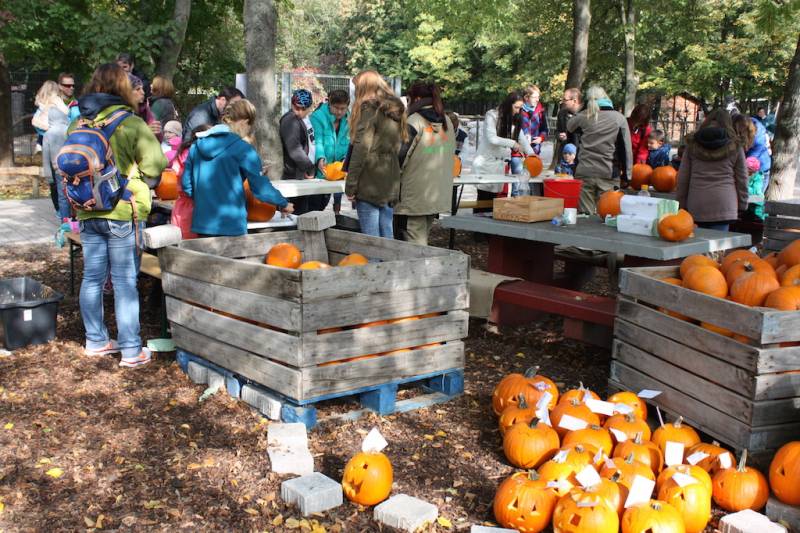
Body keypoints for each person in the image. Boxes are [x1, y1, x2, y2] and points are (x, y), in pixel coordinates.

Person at [74, 63, 167, 367]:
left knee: (92, 278)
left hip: (87, 211)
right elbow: (156, 165)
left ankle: (96, 340)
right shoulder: (131, 123)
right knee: (125, 281)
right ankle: (130, 350)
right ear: (122, 89)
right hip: (123, 212)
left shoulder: (78, 124)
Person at [182, 99, 293, 237]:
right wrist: (283, 203)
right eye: (249, 126)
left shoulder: (196, 146)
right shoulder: (244, 149)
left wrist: (205, 199)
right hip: (232, 225)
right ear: (244, 122)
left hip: (203, 223)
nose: (248, 131)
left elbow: (186, 185)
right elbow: (259, 187)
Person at [345, 70, 407, 238]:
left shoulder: (369, 109)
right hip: (390, 177)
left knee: (371, 239)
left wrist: (350, 185)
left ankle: (375, 265)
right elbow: (400, 145)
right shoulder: (396, 111)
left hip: (369, 180)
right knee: (386, 234)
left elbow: (360, 149)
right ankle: (390, 265)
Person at [393, 81, 456, 245]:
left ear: (417, 98)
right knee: (422, 240)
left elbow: (398, 157)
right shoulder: (447, 122)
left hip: (412, 196)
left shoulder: (413, 121)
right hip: (437, 193)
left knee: (412, 245)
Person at [676, 108, 747, 232]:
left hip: (697, 204)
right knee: (718, 248)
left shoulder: (692, 145)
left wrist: (681, 204)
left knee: (695, 247)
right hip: (724, 204)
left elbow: (683, 178)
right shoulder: (735, 146)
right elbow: (742, 178)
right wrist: (742, 204)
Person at [567, 86, 632, 214]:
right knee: (608, 215)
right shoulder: (619, 118)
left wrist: (583, 109)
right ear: (605, 97)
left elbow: (570, 127)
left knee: (585, 216)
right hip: (608, 173)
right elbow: (626, 149)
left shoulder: (584, 116)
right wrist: (628, 176)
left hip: (585, 171)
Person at [472, 91, 533, 206]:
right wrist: (513, 144)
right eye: (516, 107)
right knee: (483, 201)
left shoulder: (514, 119)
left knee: (493, 203)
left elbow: (523, 140)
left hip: (498, 167)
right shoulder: (492, 115)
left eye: (520, 108)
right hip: (485, 164)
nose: (518, 111)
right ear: (508, 104)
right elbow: (492, 138)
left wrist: (532, 155)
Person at [280, 89, 323, 215]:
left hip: (300, 175)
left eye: (303, 109)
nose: (299, 112)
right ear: (292, 104)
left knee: (304, 214)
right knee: (296, 216)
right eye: (296, 108)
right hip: (292, 176)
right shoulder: (290, 120)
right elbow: (295, 150)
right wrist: (310, 168)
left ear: (310, 107)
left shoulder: (303, 119)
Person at [310, 89, 350, 215]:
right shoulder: (317, 117)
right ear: (329, 104)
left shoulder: (349, 119)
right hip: (322, 170)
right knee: (317, 204)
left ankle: (337, 212)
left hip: (339, 169)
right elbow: (318, 140)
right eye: (336, 108)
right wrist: (320, 158)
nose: (339, 112)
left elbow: (349, 142)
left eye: (343, 108)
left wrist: (346, 159)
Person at [42, 104, 71, 221]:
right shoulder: (70, 129)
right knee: (75, 193)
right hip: (74, 167)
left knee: (62, 196)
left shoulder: (48, 134)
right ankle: (77, 220)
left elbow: (45, 157)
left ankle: (65, 221)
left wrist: (48, 176)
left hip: (59, 169)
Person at [733, 113, 771, 193]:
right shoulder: (745, 127)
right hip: (747, 171)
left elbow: (749, 162)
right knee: (747, 200)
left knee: (755, 200)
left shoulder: (758, 139)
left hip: (760, 172)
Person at [32, 81, 69, 154]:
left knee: (44, 135)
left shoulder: (40, 98)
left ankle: (39, 145)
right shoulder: (56, 99)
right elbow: (66, 111)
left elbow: (37, 104)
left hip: (40, 122)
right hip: (52, 124)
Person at [551, 88, 582, 169]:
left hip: (580, 155)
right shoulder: (562, 113)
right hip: (565, 155)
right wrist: (559, 135)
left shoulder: (585, 115)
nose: (563, 102)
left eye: (565, 100)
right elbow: (557, 131)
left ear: (574, 101)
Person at [129, 74, 161, 141]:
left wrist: (156, 131)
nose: (143, 92)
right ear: (126, 92)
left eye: (142, 88)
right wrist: (145, 131)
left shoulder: (144, 109)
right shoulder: (118, 112)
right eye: (138, 89)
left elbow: (158, 138)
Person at [519, 85, 548, 156]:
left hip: (534, 150)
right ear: (526, 98)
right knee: (517, 164)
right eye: (534, 97)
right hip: (519, 150)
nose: (537, 99)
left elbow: (545, 130)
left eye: (538, 97)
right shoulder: (518, 110)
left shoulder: (540, 111)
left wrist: (541, 138)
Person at [744, 156, 765, 221]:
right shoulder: (744, 175)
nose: (747, 174)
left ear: (754, 172)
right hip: (747, 206)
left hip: (756, 209)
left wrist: (744, 187)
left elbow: (756, 193)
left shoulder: (758, 178)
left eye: (749, 172)